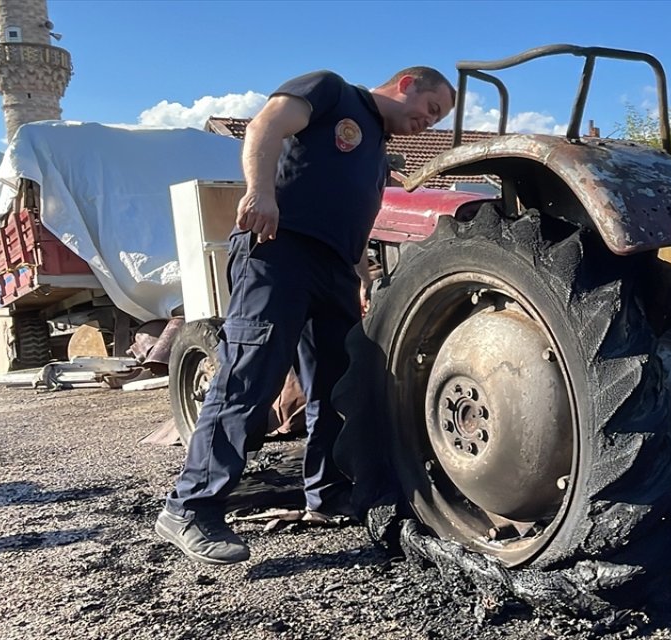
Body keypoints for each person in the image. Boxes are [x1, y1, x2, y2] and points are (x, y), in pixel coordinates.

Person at [156, 66, 455, 565]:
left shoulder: (377, 148)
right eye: (431, 109)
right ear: (407, 84)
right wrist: (261, 192)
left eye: (439, 118)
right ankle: (191, 507)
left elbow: (355, 214)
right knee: (248, 378)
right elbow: (264, 127)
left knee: (338, 388)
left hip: (334, 269)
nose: (430, 122)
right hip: (280, 250)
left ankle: (328, 491)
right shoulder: (332, 93)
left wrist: (362, 275)